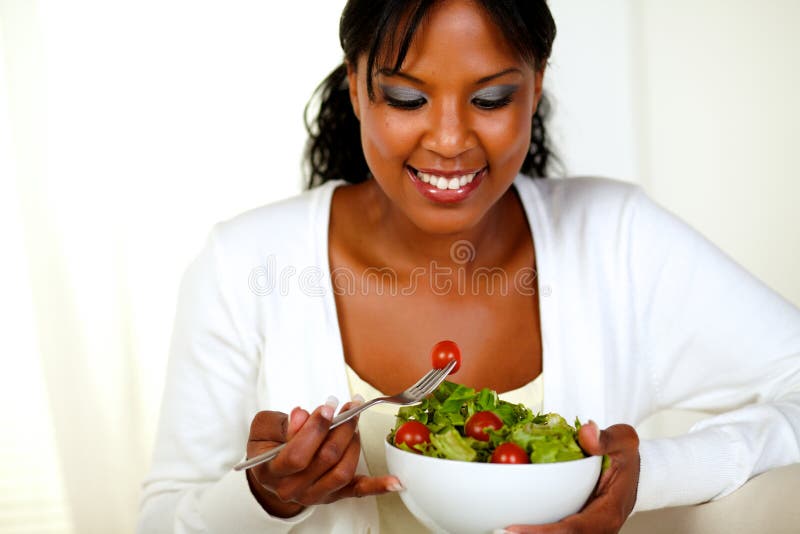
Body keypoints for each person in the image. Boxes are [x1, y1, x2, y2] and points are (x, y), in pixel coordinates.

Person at [136, 1, 800, 532]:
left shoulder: (618, 238)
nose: (451, 140)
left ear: (535, 86)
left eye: (489, 100)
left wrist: (646, 472)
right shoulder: (242, 264)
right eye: (404, 98)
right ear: (357, 87)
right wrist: (264, 497)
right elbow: (162, 520)